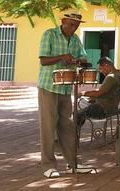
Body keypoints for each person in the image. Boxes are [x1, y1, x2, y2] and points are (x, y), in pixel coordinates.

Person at [37, 11, 89, 178]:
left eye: (77, 25)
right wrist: (62, 57)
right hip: (49, 86)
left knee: (67, 126)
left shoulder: (75, 40)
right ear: (64, 21)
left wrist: (78, 61)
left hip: (66, 88)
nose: (74, 28)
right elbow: (43, 60)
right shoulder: (50, 34)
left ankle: (72, 163)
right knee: (48, 126)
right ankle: (48, 165)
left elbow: (83, 57)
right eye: (72, 24)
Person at [76, 56, 120, 131]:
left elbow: (99, 93)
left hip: (103, 109)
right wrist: (94, 97)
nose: (101, 71)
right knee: (84, 109)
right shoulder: (119, 76)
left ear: (106, 65)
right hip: (112, 107)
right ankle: (75, 133)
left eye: (101, 69)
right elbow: (107, 92)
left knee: (77, 114)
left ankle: (74, 136)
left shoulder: (111, 77)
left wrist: (83, 93)